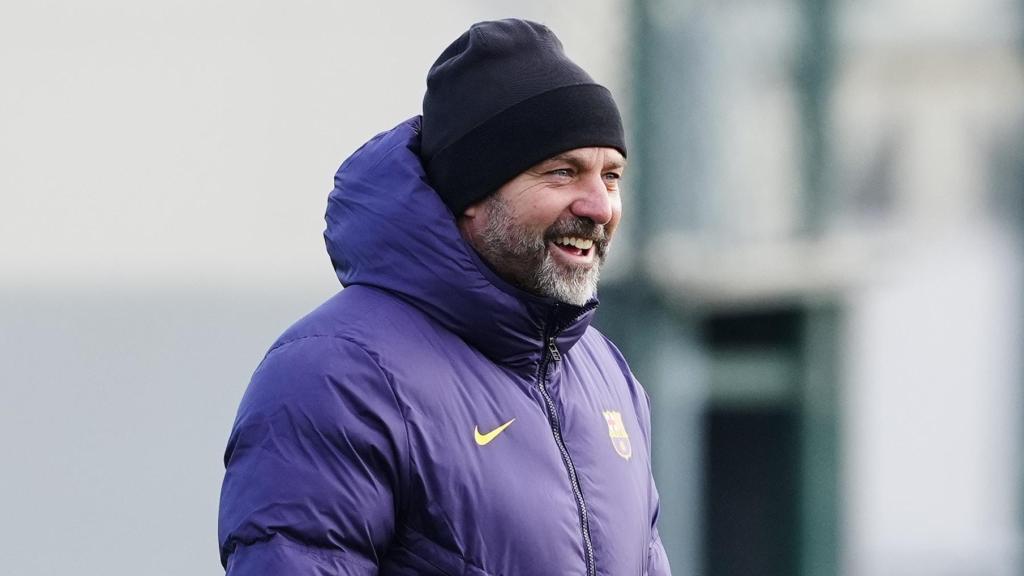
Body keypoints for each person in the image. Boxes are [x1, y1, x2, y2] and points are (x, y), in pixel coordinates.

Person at [218, 18, 671, 575]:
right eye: (562, 172)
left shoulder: (605, 374)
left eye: (612, 176)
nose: (599, 206)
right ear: (471, 193)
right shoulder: (334, 376)